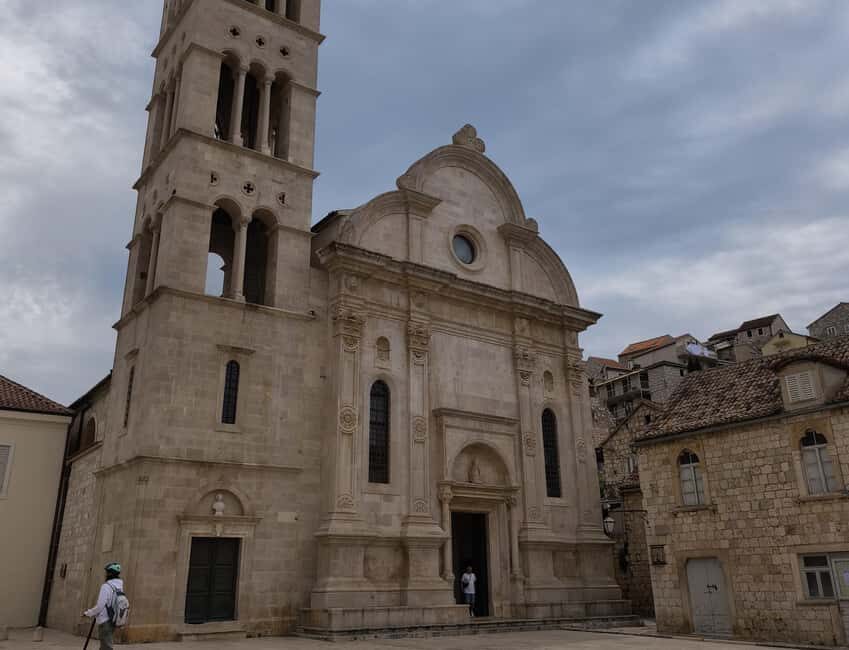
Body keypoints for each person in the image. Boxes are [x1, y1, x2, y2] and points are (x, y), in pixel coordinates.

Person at [83, 562, 124, 650]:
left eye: (106, 572)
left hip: (105, 620)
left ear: (110, 573)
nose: (105, 574)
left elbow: (100, 606)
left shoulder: (106, 586)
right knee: (106, 645)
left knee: (106, 647)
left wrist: (88, 613)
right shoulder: (119, 586)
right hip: (113, 619)